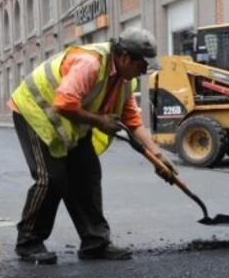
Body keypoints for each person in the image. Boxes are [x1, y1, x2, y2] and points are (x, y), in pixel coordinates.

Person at [9, 28, 176, 265]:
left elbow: (132, 122)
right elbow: (63, 104)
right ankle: (28, 242)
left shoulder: (123, 80)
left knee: (87, 174)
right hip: (35, 111)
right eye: (142, 65)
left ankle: (95, 243)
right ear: (126, 58)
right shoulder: (90, 64)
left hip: (69, 122)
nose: (144, 71)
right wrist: (99, 121)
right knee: (52, 179)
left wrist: (157, 157)